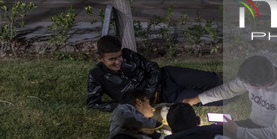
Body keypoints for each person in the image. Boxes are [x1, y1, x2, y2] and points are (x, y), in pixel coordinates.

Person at [183, 55, 277, 139]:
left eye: (247, 84)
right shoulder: (255, 72)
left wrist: (237, 131)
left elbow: (276, 132)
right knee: (214, 133)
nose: (243, 84)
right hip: (256, 124)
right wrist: (196, 99)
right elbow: (228, 90)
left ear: (262, 86)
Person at [87, 35, 222, 112]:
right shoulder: (97, 76)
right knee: (219, 99)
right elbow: (93, 103)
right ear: (100, 58)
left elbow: (153, 67)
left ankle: (240, 79)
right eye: (112, 59)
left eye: (119, 57)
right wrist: (127, 105)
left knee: (214, 80)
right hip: (167, 96)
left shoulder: (128, 54)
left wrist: (148, 91)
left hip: (169, 76)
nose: (118, 62)